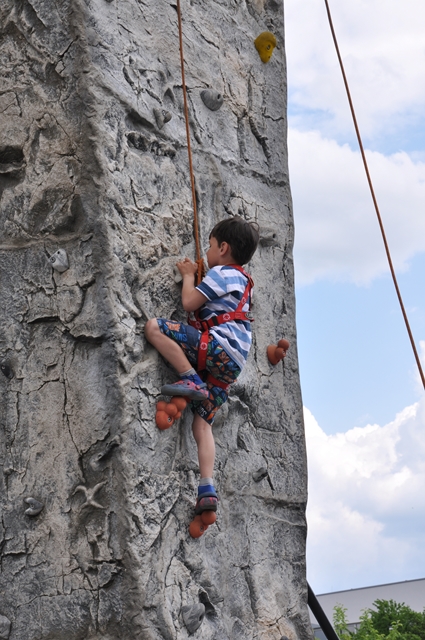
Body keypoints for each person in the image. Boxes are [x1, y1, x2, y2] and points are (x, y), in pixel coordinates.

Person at [144, 217, 259, 516]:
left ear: (223, 248)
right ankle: (207, 487)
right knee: (202, 423)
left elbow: (189, 303)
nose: (206, 252)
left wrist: (188, 275)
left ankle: (190, 378)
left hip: (216, 348)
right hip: (231, 364)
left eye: (209, 246)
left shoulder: (221, 273)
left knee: (153, 328)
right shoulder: (244, 282)